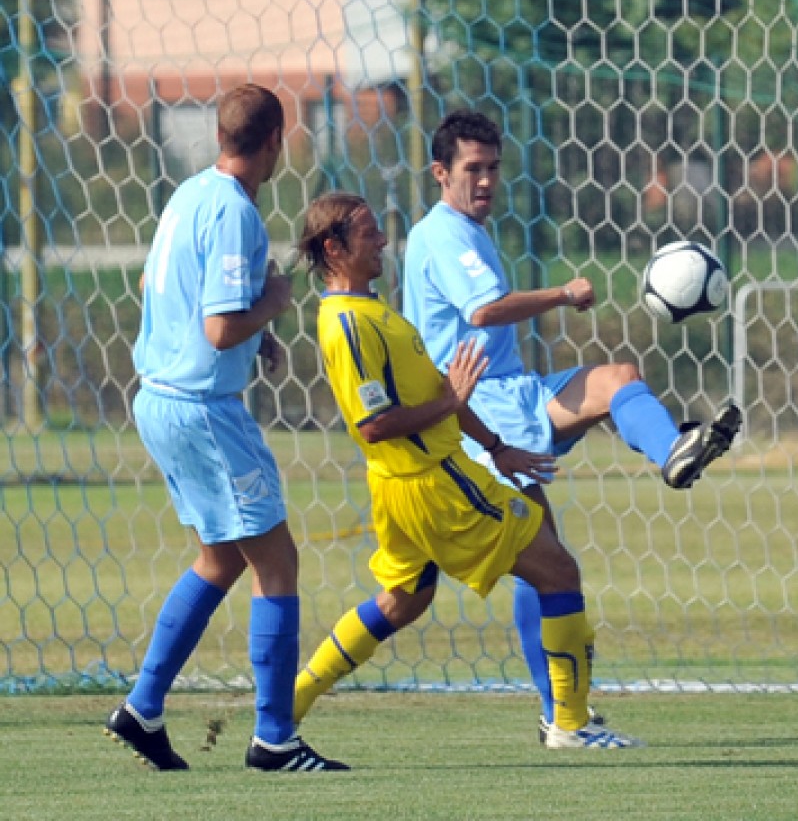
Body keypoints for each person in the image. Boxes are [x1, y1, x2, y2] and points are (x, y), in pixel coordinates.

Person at [399, 110, 741, 743]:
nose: (485, 182)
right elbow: (482, 309)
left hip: (507, 395)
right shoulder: (444, 234)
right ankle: (564, 718)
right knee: (536, 567)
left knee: (615, 383)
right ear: (440, 172)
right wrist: (562, 294)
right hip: (482, 406)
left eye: (493, 169)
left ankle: (672, 451)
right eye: (472, 169)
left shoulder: (463, 230)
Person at [290, 191, 641, 750]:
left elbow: (439, 390)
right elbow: (375, 425)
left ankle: (293, 701)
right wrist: (453, 404)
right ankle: (570, 726)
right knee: (557, 572)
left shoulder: (375, 310)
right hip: (430, 482)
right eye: (369, 232)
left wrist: (496, 444)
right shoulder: (348, 326)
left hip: (406, 485)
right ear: (333, 247)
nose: (382, 241)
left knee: (402, 600)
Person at [105, 84, 347, 772]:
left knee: (221, 557)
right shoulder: (237, 213)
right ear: (273, 139)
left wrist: (254, 340)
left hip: (159, 397)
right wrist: (271, 306)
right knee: (278, 563)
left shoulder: (190, 194)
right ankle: (276, 739)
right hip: (203, 408)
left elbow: (187, 303)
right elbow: (217, 328)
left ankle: (142, 709)